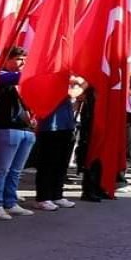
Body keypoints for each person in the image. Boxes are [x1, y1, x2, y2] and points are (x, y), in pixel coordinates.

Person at [0, 47, 37, 220]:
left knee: (16, 170)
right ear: (7, 60)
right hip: (6, 128)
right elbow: (17, 77)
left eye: (25, 59)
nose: (22, 63)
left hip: (26, 129)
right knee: (2, 169)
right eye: (18, 59)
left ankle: (10, 201)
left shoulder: (25, 79)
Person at [33, 78, 83, 210]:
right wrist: (86, 81)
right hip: (50, 126)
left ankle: (57, 195)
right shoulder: (50, 81)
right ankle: (43, 197)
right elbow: (72, 93)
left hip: (66, 125)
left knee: (61, 163)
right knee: (48, 164)